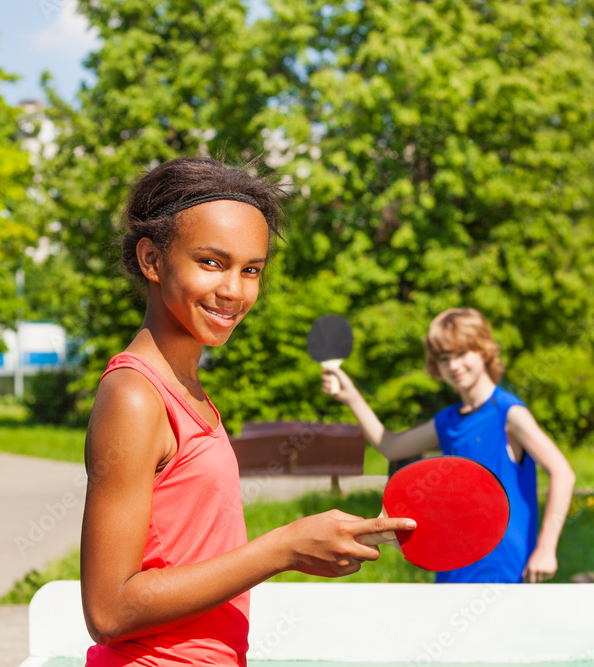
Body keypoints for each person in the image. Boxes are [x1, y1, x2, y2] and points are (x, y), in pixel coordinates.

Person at [79, 157, 415, 666]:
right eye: (211, 262)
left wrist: (325, 539)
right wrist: (283, 549)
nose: (234, 290)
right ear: (151, 259)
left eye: (250, 269)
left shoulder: (186, 389)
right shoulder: (134, 394)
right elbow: (109, 611)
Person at [323, 307, 575, 584]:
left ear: (484, 352)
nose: (453, 365)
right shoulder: (447, 421)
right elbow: (392, 447)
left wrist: (546, 548)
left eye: (461, 353)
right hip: (452, 565)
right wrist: (351, 398)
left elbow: (562, 472)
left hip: (505, 570)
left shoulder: (508, 413)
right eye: (444, 358)